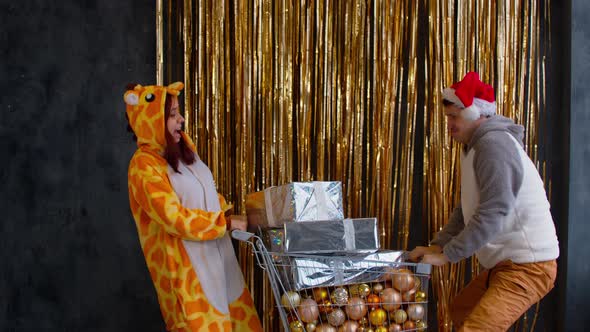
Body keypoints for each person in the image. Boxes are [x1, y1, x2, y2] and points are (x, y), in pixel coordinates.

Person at [408, 72, 559, 331]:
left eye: (454, 117)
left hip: (528, 266)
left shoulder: (493, 145)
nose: (449, 125)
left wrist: (448, 256)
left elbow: (493, 211)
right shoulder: (474, 146)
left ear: (473, 114)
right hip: (505, 264)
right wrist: (439, 245)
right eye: (447, 118)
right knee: (461, 312)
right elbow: (467, 207)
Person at [124, 82, 263, 332]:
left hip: (221, 264)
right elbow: (175, 218)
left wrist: (234, 214)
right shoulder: (144, 166)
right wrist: (226, 223)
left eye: (179, 112)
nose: (182, 120)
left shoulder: (182, 151)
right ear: (152, 119)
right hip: (188, 280)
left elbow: (205, 195)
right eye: (173, 114)